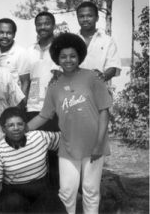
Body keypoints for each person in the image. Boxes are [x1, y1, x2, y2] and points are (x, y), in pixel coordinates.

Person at [27, 33, 112, 214]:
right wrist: (23, 130)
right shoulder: (54, 85)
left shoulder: (92, 78)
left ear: (79, 56)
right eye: (63, 56)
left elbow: (104, 111)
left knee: (90, 191)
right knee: (66, 192)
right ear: (57, 58)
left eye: (73, 56)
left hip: (94, 144)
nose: (68, 60)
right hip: (68, 145)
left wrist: (99, 144)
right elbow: (44, 115)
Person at [0, 107, 61, 214]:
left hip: (41, 188)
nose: (16, 128)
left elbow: (65, 141)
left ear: (25, 126)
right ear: (3, 129)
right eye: (11, 125)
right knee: (12, 203)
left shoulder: (39, 137)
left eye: (20, 124)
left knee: (52, 204)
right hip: (15, 192)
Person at [26, 11, 60, 192]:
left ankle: (55, 196)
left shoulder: (60, 48)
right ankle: (39, 195)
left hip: (55, 109)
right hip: (32, 108)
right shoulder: (29, 51)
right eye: (39, 24)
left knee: (54, 153)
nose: (43, 27)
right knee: (36, 153)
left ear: (53, 25)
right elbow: (25, 80)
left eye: (47, 23)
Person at [76, 1, 121, 82]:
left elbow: (113, 66)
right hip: (73, 89)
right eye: (81, 16)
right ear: (77, 18)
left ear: (97, 18)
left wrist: (104, 75)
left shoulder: (107, 41)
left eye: (89, 16)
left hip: (98, 89)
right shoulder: (70, 41)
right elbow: (59, 66)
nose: (85, 19)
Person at [0, 18, 30, 99]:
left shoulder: (21, 53)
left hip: (12, 103)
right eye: (1, 32)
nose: (5, 36)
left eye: (9, 33)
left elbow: (26, 82)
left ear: (14, 35)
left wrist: (21, 106)